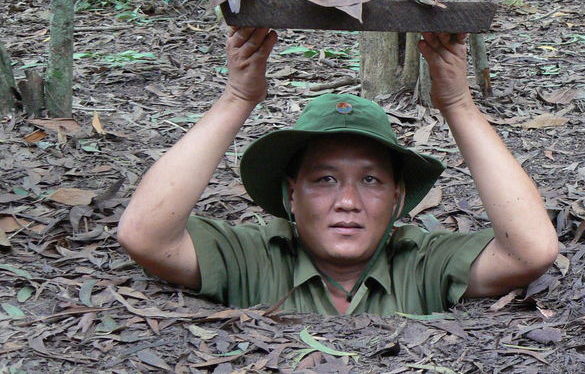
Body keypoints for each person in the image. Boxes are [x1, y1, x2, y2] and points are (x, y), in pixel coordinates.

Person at [117, 28, 558, 315]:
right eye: (324, 180)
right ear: (292, 195)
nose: (347, 202)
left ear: (398, 198)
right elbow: (146, 234)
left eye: (370, 180)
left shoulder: (421, 262)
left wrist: (458, 105)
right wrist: (237, 97)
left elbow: (530, 251)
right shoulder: (254, 256)